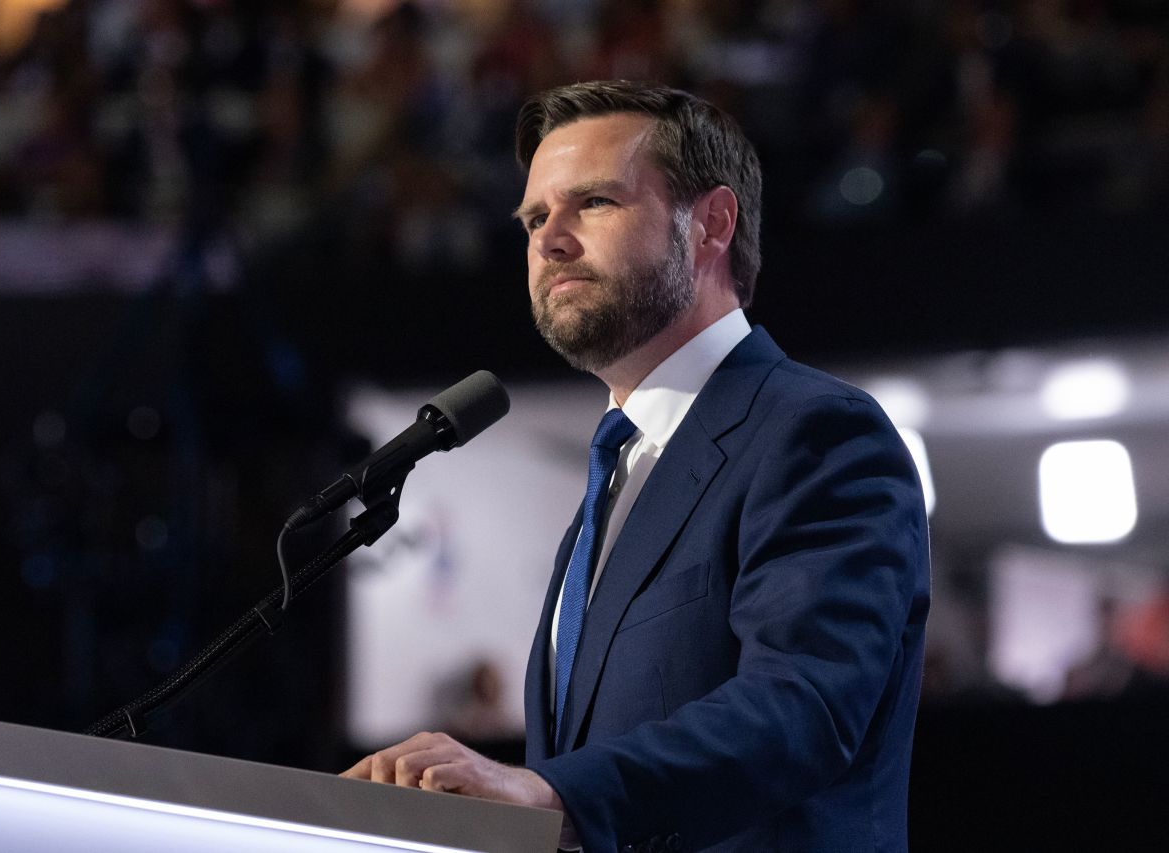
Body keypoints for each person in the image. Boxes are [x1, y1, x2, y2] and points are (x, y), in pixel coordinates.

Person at [343, 80, 930, 853]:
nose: (549, 239)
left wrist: (547, 791)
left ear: (712, 223)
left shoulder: (816, 433)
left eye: (592, 203)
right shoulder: (615, 482)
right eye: (533, 218)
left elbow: (804, 704)